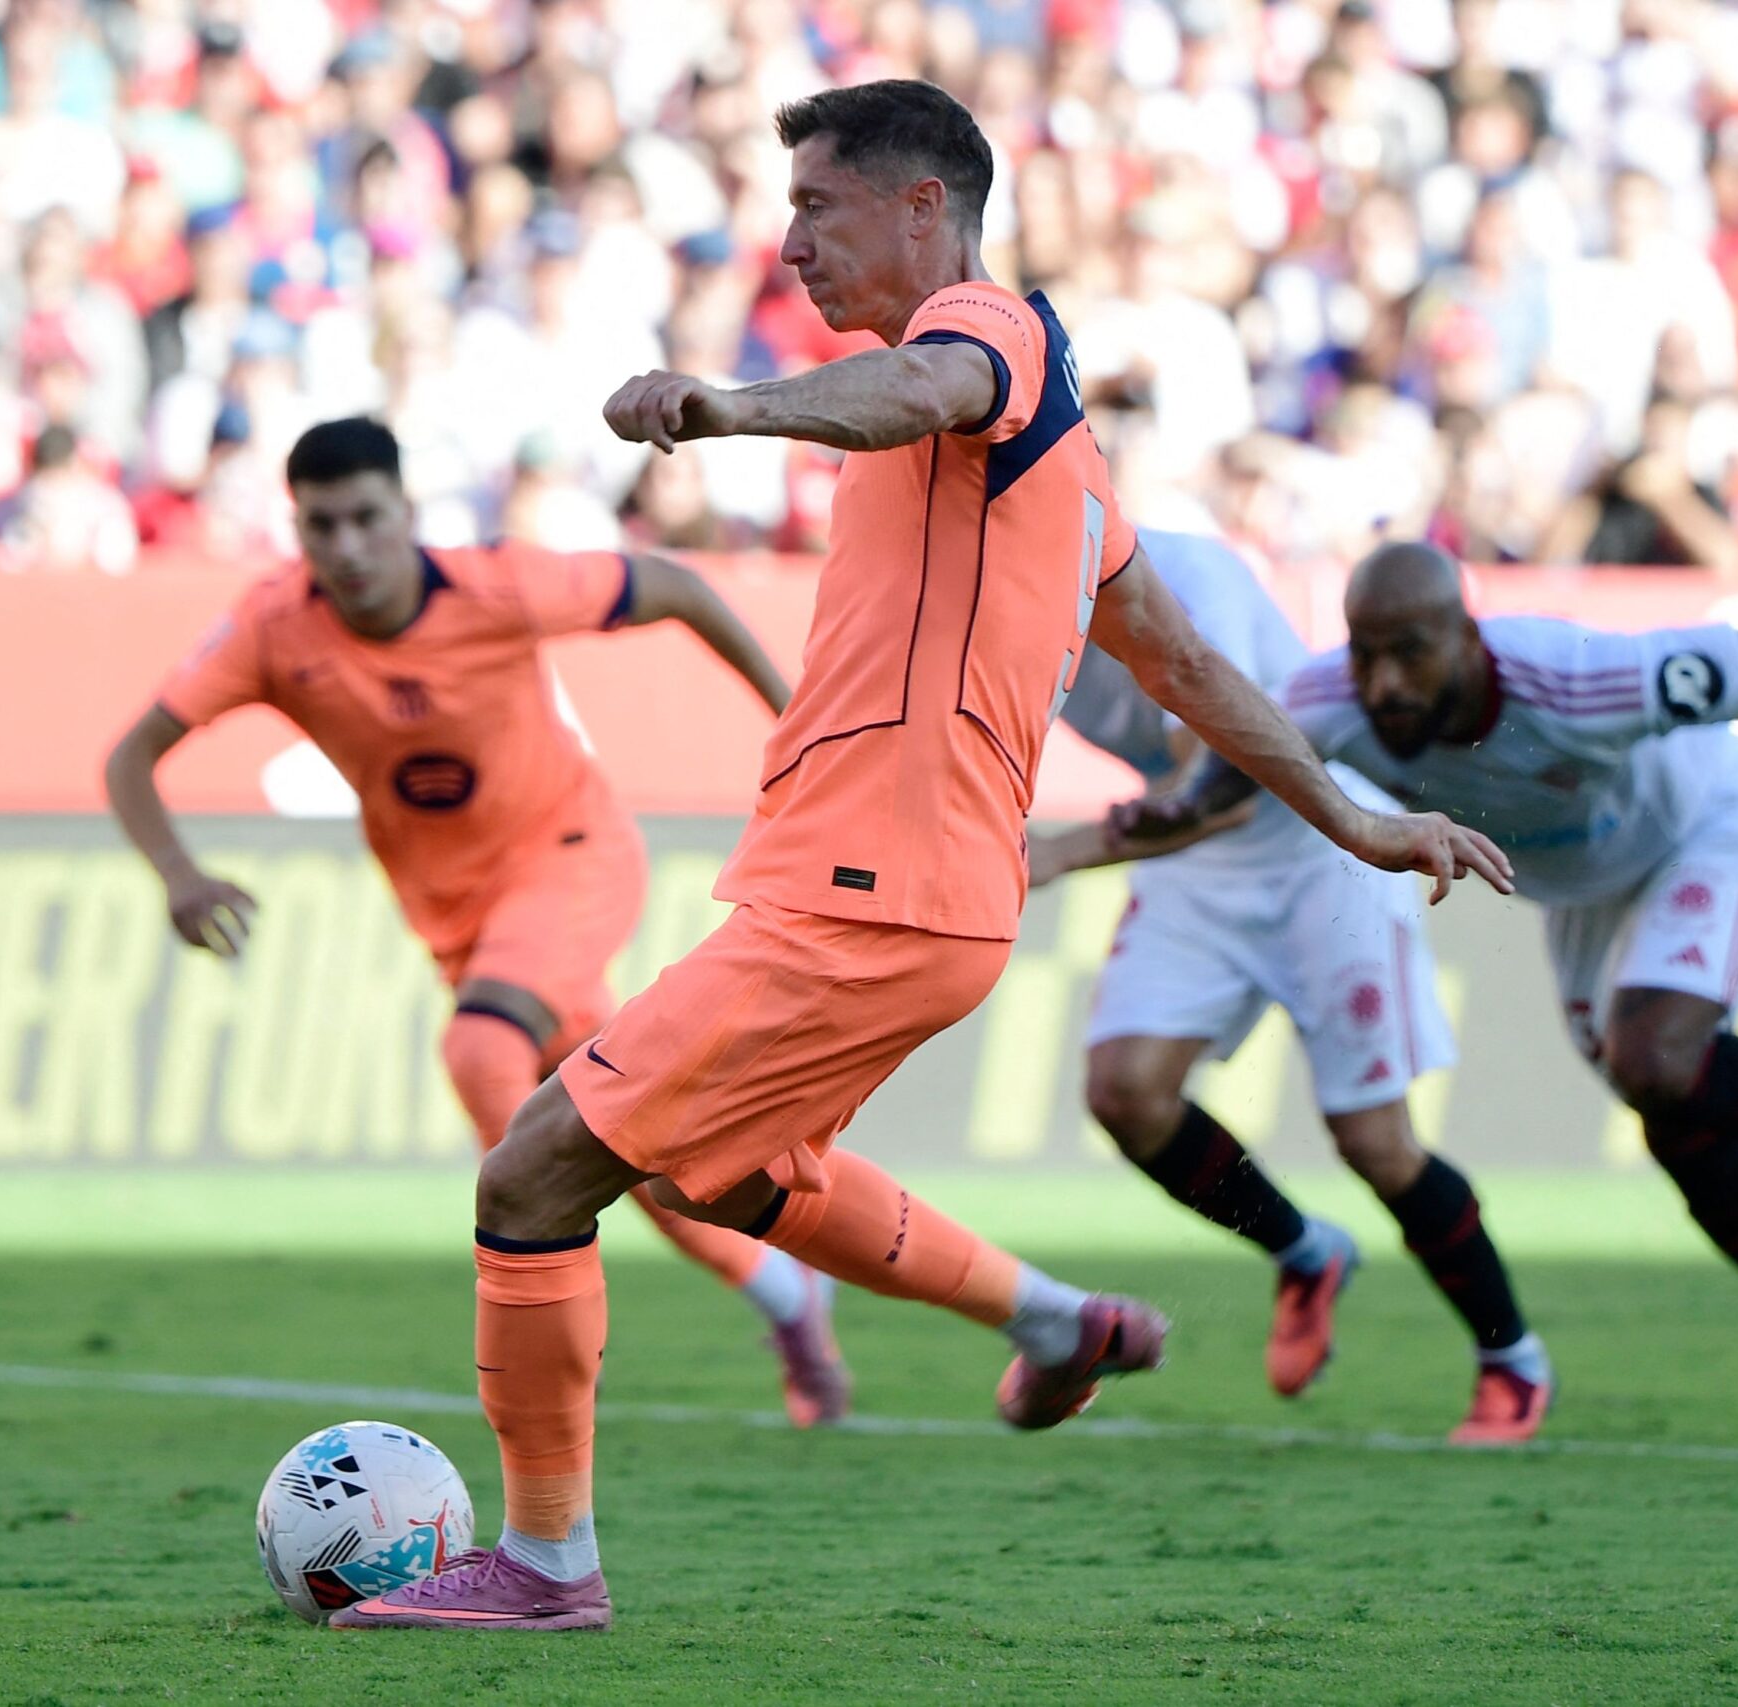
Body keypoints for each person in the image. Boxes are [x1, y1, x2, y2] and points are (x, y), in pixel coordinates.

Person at [334, 79, 1510, 1635]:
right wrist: (1361, 817)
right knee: (737, 1170)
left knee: (534, 1169)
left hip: (865, 896)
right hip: (908, 900)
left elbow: (932, 389)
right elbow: (1191, 672)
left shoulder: (987, 346)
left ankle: (548, 1563)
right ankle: (1053, 1318)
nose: (792, 240)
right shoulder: (1065, 474)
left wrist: (734, 405)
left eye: (817, 206)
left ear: (919, 207)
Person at [104, 415, 854, 1427]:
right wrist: (178, 875)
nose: (349, 548)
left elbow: (674, 587)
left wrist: (791, 719)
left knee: (481, 1054)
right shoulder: (275, 629)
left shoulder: (495, 585)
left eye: (367, 518)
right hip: (458, 920)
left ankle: (545, 1281)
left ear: (406, 514)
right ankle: (790, 1292)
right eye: (322, 526)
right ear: (298, 531)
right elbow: (132, 755)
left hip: (572, 860)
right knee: (632, 1136)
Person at [1120, 541, 1738, 1453]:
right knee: (1674, 1118)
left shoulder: (1578, 679)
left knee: (1656, 1061)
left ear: (1467, 638)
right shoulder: (1332, 701)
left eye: (1409, 652)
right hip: (1584, 891)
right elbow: (1238, 762)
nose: (1384, 682)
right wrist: (1178, 808)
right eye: (1365, 653)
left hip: (1708, 828)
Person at [1030, 529, 1550, 1444]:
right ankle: (1307, 1253)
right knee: (1125, 1093)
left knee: (1376, 1145)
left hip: (1322, 845)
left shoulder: (1186, 582)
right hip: (1198, 869)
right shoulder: (1006, 611)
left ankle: (1513, 1357)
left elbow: (1222, 785)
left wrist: (1060, 856)